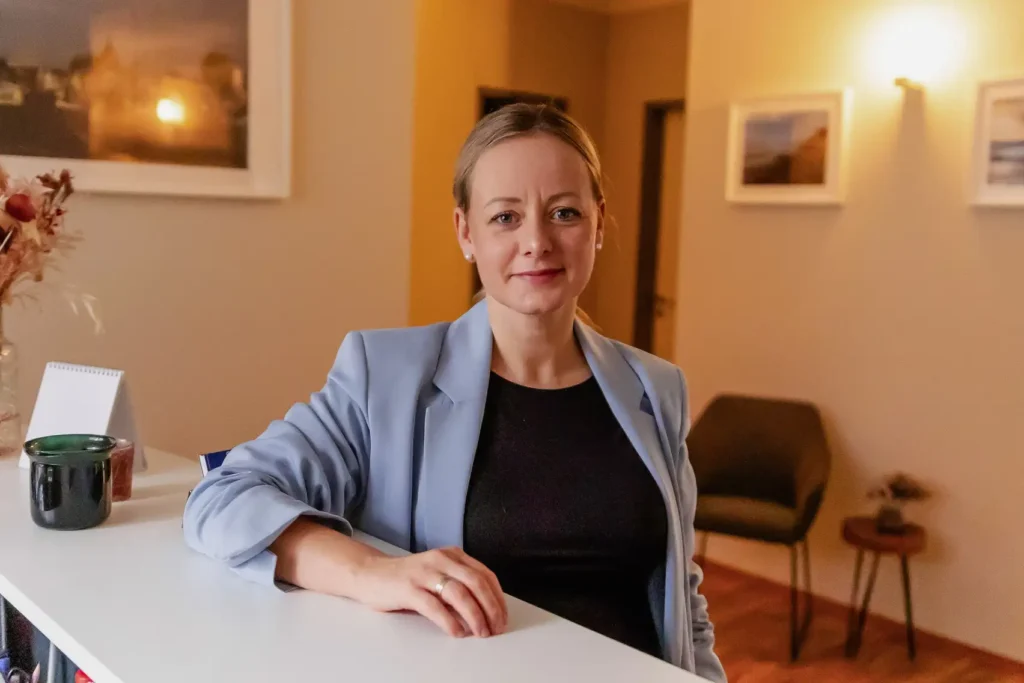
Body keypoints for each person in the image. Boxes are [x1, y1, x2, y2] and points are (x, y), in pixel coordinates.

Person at [183, 103, 726, 682]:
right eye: (505, 217)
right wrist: (374, 572)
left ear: (599, 224)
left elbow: (682, 599)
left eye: (564, 212)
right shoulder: (384, 375)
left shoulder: (656, 388)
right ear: (466, 232)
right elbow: (223, 498)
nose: (537, 241)